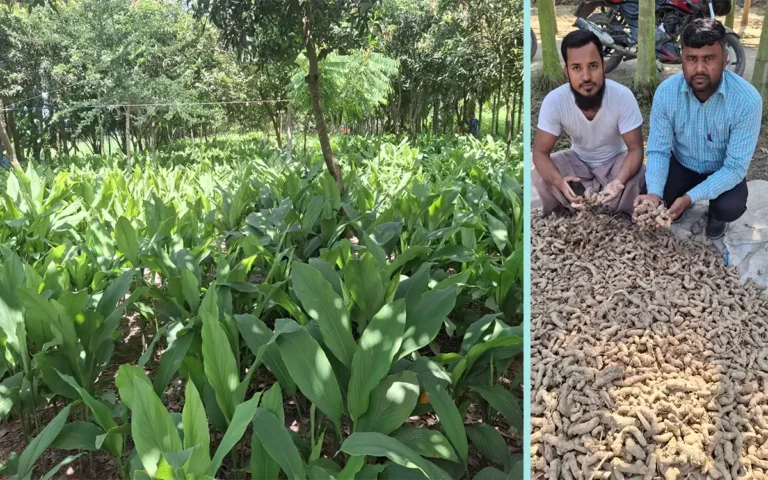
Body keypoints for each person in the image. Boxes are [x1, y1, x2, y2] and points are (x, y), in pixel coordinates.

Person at [634, 18, 762, 240]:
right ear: (681, 59)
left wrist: (691, 197)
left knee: (730, 206)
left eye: (709, 59)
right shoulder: (666, 93)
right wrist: (654, 193)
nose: (700, 68)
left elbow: (734, 167)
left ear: (725, 59)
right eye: (692, 59)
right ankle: (675, 202)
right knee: (652, 188)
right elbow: (658, 150)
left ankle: (715, 214)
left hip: (722, 170)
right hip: (683, 163)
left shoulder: (747, 101)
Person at [532, 30, 646, 217]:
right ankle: (565, 210)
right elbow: (540, 152)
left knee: (638, 172)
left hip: (615, 163)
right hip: (577, 162)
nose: (586, 76)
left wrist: (619, 180)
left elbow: (635, 149)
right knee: (540, 174)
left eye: (593, 66)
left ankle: (619, 214)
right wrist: (559, 181)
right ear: (567, 72)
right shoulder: (555, 101)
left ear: (604, 66)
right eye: (576, 68)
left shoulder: (622, 96)